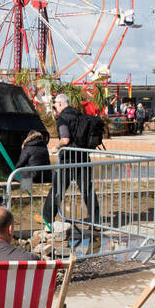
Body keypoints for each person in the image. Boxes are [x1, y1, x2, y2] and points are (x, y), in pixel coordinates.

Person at [43, 93, 102, 244]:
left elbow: (65, 139)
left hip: (68, 159)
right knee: (87, 189)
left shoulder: (63, 118)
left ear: (61, 103)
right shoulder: (79, 114)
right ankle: (95, 222)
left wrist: (56, 146)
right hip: (82, 157)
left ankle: (48, 220)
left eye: (55, 103)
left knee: (57, 189)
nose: (55, 106)